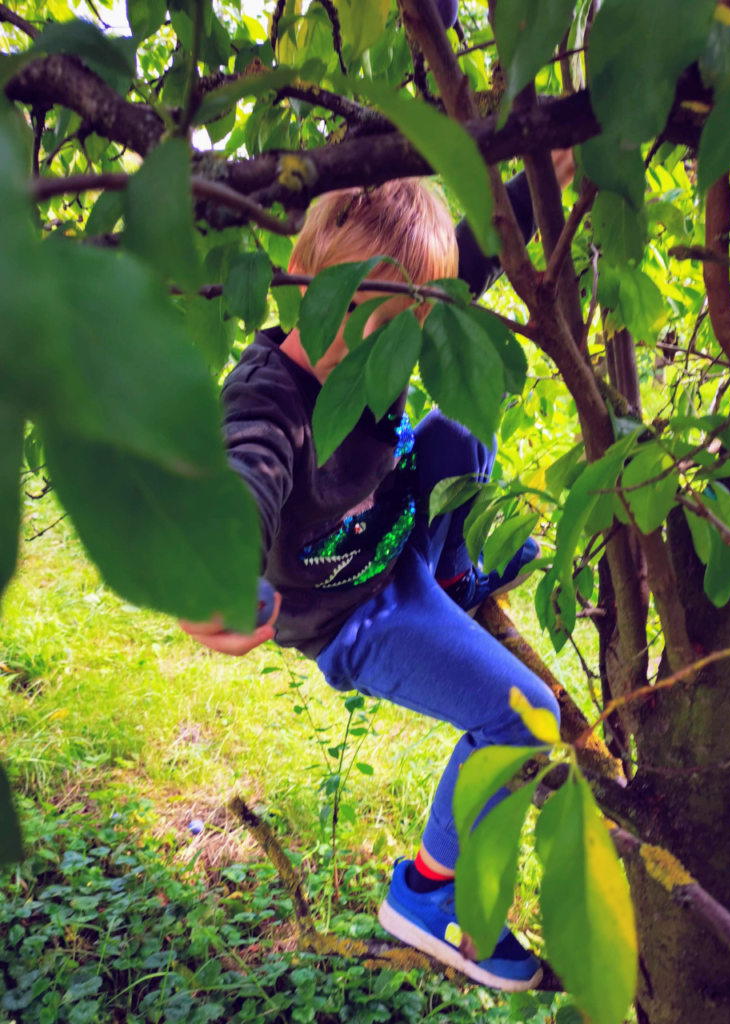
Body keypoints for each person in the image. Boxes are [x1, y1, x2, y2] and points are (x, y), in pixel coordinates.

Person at [181, 160, 574, 992]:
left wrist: (550, 170)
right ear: (306, 282)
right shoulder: (268, 402)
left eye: (408, 324)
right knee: (526, 714)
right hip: (354, 613)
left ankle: (460, 583)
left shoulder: (392, 329)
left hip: (398, 542)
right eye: (363, 317)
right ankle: (433, 895)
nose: (384, 347)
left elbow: (471, 264)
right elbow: (241, 479)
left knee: (462, 422)